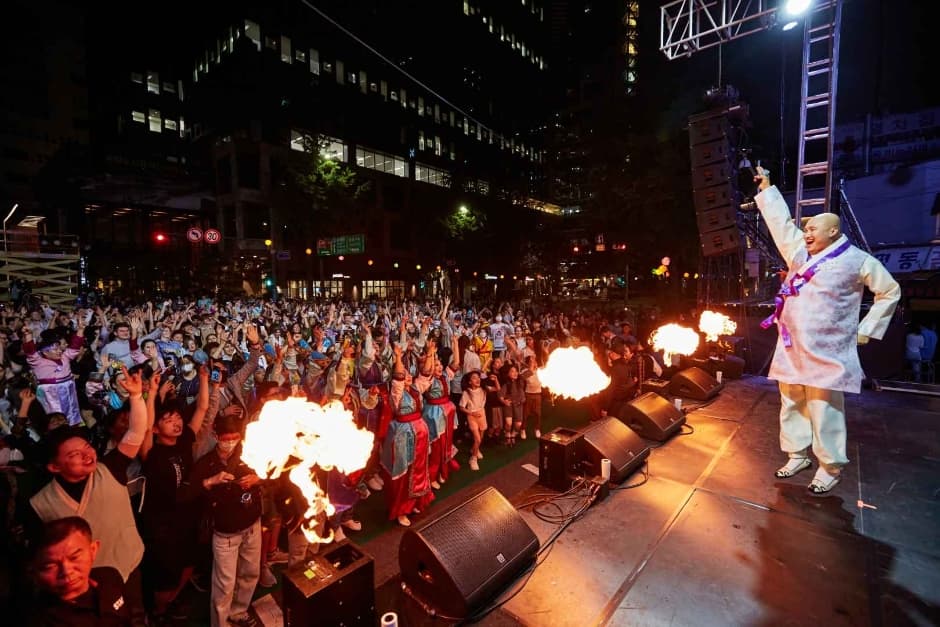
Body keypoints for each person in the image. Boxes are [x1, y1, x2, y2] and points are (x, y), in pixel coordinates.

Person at [754, 166, 900, 495]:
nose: (805, 234)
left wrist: (868, 328)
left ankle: (830, 467)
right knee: (791, 402)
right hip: (793, 345)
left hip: (828, 350)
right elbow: (780, 226)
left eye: (813, 229)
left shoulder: (858, 260)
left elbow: (889, 291)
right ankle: (796, 454)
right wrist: (767, 189)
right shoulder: (800, 254)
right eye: (805, 228)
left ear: (833, 232)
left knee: (824, 409)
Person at [28, 366, 148, 625]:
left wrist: (137, 398)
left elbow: (136, 433)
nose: (87, 455)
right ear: (54, 466)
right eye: (73, 455)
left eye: (87, 448)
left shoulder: (109, 468)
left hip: (127, 566)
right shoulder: (39, 505)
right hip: (79, 586)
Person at [187, 413, 263, 627]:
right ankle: (220, 623)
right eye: (226, 438)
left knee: (250, 573)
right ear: (215, 435)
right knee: (224, 585)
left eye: (235, 438)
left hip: (252, 525)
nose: (230, 443)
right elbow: (186, 494)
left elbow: (271, 474)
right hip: (225, 533)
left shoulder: (250, 453)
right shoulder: (206, 463)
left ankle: (239, 612)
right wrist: (211, 481)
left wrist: (257, 479)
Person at [28, 516, 141, 626]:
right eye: (51, 566)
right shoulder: (39, 619)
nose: (66, 572)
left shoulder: (109, 577)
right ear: (35, 572)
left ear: (93, 550)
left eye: (74, 557)